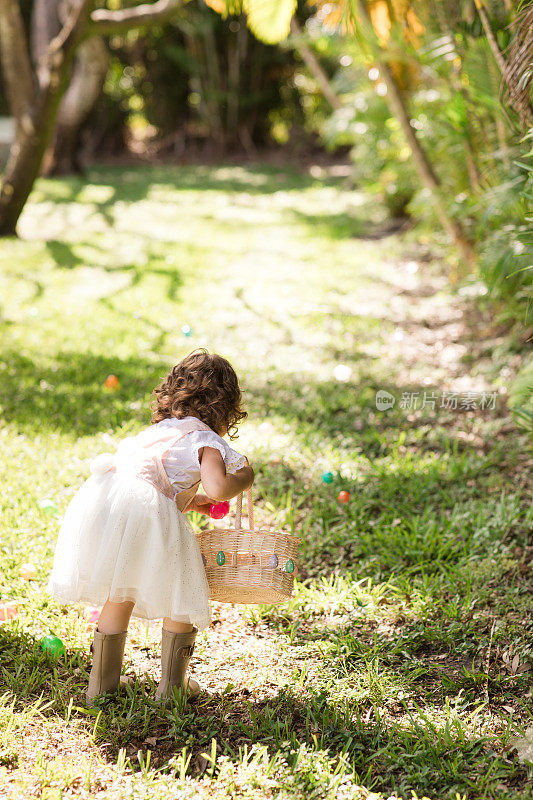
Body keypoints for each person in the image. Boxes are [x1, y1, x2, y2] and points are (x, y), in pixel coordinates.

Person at [46, 349, 254, 705]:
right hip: (143, 513)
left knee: (119, 591)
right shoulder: (206, 440)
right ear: (225, 406)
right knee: (182, 594)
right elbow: (219, 486)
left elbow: (154, 482)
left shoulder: (159, 432)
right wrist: (244, 478)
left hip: (108, 506)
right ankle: (170, 691)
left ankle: (101, 688)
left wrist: (193, 501)